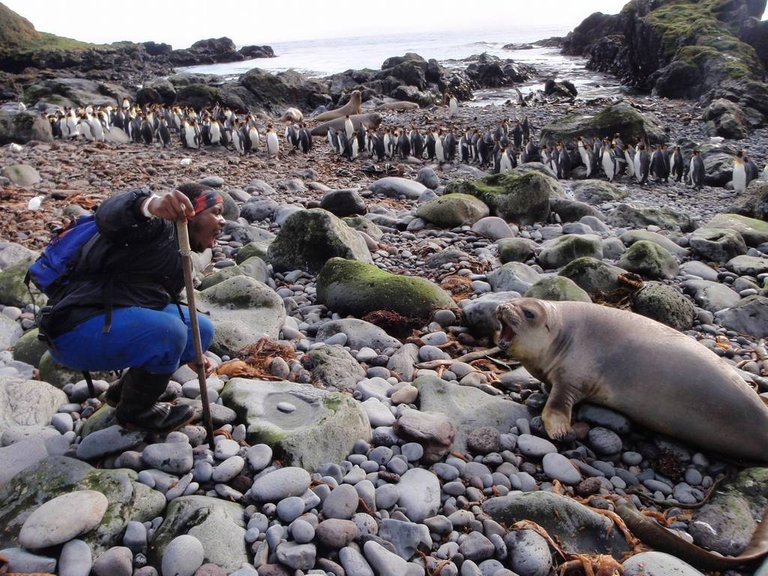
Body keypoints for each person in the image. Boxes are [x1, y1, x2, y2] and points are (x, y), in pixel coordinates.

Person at [38, 183, 226, 433]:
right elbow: (110, 214)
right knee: (170, 332)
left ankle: (125, 392)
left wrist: (193, 352)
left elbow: (153, 300)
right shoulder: (156, 226)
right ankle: (135, 413)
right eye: (216, 212)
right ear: (190, 213)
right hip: (74, 330)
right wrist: (150, 204)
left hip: (106, 320)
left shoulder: (176, 246)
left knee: (198, 329)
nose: (223, 221)